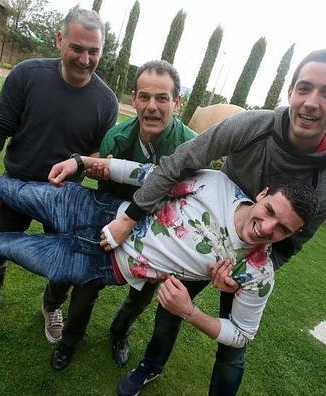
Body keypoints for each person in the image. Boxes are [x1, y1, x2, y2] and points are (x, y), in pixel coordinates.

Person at [0, 132, 317, 365]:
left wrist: (191, 313)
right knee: (0, 188)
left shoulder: (256, 272)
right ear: (265, 193)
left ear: (289, 238)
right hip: (91, 210)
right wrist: (83, 162)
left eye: (282, 231)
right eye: (272, 211)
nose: (267, 228)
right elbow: (146, 174)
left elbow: (244, 335)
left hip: (96, 265)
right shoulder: (217, 184)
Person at [104, 49, 326, 396]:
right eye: (304, 87)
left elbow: (289, 247)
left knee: (233, 349)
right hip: (203, 239)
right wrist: (131, 216)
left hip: (240, 263)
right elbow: (182, 161)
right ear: (290, 91)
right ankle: (151, 366)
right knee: (169, 309)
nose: (312, 102)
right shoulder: (251, 126)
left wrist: (241, 274)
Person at [0, 6, 118, 338]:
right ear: (59, 40)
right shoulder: (27, 74)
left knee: (65, 261)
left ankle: (51, 306)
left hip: (66, 196)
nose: (85, 59)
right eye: (77, 48)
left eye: (93, 51)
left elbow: (96, 153)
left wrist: (100, 165)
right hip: (17, 186)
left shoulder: (106, 101)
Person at [46, 60, 198, 371]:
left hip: (158, 235)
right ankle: (70, 340)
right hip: (113, 220)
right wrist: (105, 172)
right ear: (134, 98)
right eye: (144, 97)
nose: (152, 107)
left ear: (177, 101)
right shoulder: (115, 138)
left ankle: (119, 333)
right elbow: (103, 195)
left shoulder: (192, 145)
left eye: (162, 98)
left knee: (141, 295)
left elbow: (192, 198)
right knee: (87, 281)